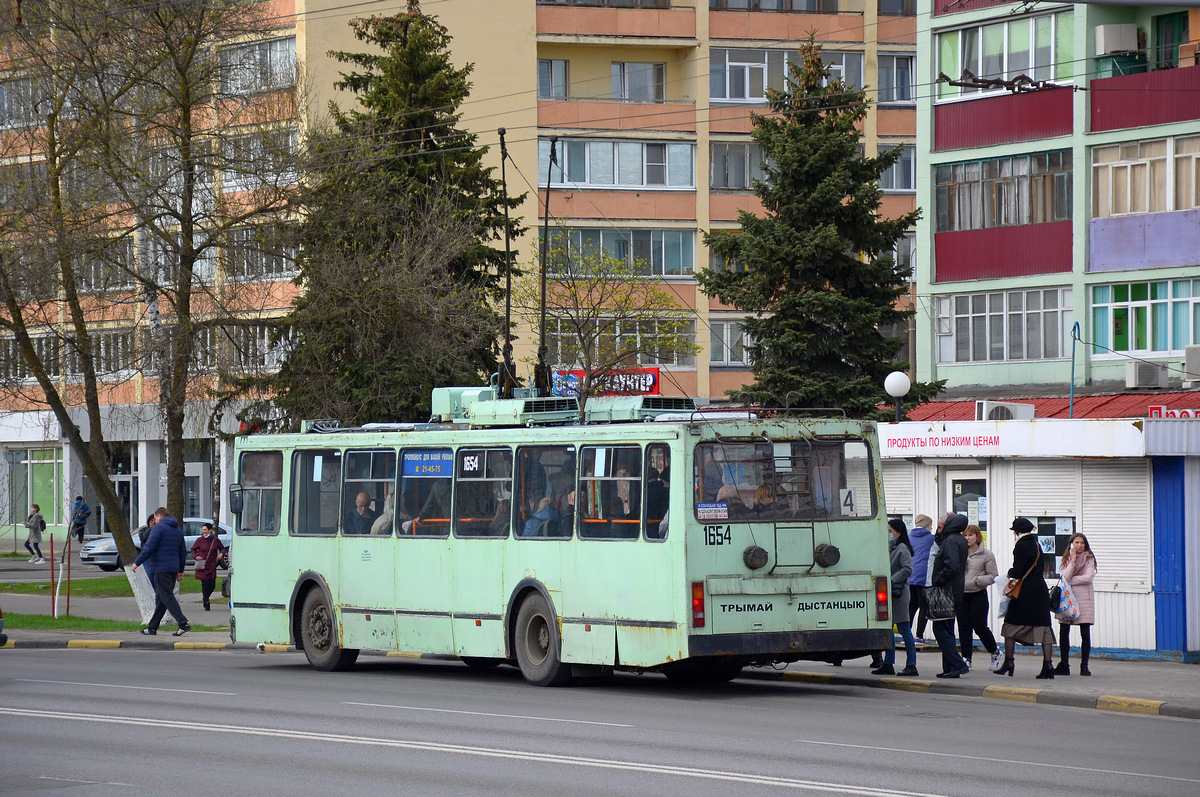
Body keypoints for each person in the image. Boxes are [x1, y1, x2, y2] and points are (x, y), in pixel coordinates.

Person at [995, 517, 1056, 679]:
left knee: (1010, 625)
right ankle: (1048, 666)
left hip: (1025, 592)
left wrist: (1009, 572)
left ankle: (1009, 662)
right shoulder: (1036, 544)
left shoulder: (1021, 545)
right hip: (1040, 591)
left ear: (1017, 532)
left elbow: (1018, 571)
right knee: (1044, 628)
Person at [131, 507, 190, 636]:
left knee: (167, 596)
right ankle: (152, 627)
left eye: (156, 518)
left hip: (160, 567)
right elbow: (182, 551)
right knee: (161, 599)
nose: (155, 521)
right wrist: (180, 570)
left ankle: (183, 623)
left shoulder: (158, 528)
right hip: (173, 568)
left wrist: (137, 563)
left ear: (159, 516)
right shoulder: (177, 529)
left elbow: (149, 548)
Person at [873, 518, 918, 677]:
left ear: (898, 531)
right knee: (888, 628)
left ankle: (911, 664)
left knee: (904, 628)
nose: (888, 534)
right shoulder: (890, 547)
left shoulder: (902, 548)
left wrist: (890, 580)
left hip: (899, 592)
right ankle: (888, 663)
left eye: (890, 531)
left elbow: (907, 569)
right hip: (889, 592)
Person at [930, 512, 971, 678]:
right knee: (947, 629)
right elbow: (940, 541)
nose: (940, 529)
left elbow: (951, 565)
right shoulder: (957, 539)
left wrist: (939, 580)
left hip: (947, 590)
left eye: (942, 526)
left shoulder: (952, 540)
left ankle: (957, 664)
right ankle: (950, 668)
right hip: (955, 590)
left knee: (940, 628)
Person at [959, 524, 1001, 671]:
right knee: (964, 627)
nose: (967, 538)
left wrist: (978, 581)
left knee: (979, 625)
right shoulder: (960, 552)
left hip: (978, 594)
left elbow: (993, 576)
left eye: (970, 535)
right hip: (962, 594)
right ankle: (966, 659)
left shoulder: (987, 554)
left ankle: (995, 652)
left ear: (977, 537)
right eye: (965, 535)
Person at [1056, 532, 1097, 676]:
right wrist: (1072, 561)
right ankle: (1064, 664)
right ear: (1071, 544)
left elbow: (1088, 577)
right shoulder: (1067, 558)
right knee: (1063, 631)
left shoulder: (1089, 558)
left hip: (1084, 599)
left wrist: (1071, 580)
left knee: (1085, 633)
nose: (1079, 546)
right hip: (1067, 598)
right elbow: (1064, 575)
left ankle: (1084, 665)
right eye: (1076, 543)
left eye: (1082, 543)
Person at [907, 514, 935, 641]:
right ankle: (919, 635)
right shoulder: (931, 539)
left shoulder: (908, 537)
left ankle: (906, 634)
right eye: (931, 525)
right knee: (924, 607)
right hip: (924, 577)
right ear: (927, 525)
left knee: (911, 606)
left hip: (910, 576)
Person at [189, 522, 227, 611]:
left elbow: (222, 548)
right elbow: (193, 549)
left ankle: (205, 597)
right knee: (205, 584)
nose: (204, 532)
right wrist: (196, 556)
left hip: (212, 565)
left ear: (210, 530)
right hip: (203, 565)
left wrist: (221, 554)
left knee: (212, 585)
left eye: (205, 530)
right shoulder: (199, 540)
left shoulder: (215, 540)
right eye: (203, 530)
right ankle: (206, 602)